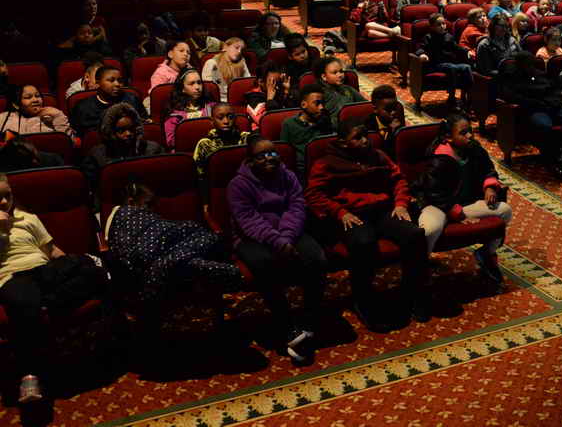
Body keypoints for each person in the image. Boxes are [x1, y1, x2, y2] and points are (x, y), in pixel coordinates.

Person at [306, 118, 430, 330]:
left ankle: (413, 293)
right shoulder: (326, 163)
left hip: (382, 209)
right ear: (343, 142)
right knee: (364, 242)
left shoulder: (377, 155)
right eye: (358, 138)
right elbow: (313, 194)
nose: (365, 140)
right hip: (351, 214)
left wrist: (401, 204)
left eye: (365, 135)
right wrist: (339, 212)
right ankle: (363, 299)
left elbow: (398, 180)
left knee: (415, 235)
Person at [0, 174, 109, 403]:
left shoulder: (28, 218)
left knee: (93, 271)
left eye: (7, 195)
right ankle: (30, 375)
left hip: (44, 270)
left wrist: (71, 265)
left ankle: (44, 304)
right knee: (24, 302)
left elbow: (52, 251)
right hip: (13, 277)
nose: (4, 202)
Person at [227, 136, 327, 362]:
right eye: (262, 155)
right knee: (265, 264)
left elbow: (297, 207)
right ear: (250, 161)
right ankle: (287, 324)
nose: (269, 158)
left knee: (317, 258)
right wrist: (278, 241)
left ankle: (308, 319)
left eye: (273, 153)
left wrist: (287, 237)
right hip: (251, 238)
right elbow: (249, 220)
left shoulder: (288, 176)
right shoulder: (238, 185)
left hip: (288, 232)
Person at [105, 179, 243, 339]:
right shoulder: (122, 214)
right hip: (147, 254)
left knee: (186, 235)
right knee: (176, 258)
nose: (152, 209)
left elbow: (161, 228)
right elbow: (119, 244)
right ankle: (200, 264)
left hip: (162, 251)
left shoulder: (146, 216)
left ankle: (184, 262)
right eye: (148, 204)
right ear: (130, 202)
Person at [414, 113, 511, 286]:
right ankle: (419, 267)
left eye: (470, 131)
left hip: (466, 203)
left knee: (504, 211)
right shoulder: (439, 157)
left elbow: (488, 169)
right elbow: (433, 193)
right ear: (448, 137)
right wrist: (457, 214)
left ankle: (486, 254)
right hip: (438, 205)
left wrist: (489, 186)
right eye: (463, 133)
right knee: (430, 229)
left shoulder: (474, 148)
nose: (469, 136)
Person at [499, 51, 562, 183]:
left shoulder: (539, 74)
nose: (530, 66)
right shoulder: (512, 77)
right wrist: (537, 102)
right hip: (534, 109)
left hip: (552, 106)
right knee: (545, 125)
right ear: (520, 65)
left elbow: (555, 89)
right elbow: (512, 96)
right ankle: (552, 157)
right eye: (527, 64)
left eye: (531, 64)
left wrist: (556, 100)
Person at [81, 102, 163, 188]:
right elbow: (92, 187)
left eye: (131, 129)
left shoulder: (153, 150)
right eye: (121, 130)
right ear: (110, 132)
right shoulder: (97, 156)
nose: (128, 133)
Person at [416, 13, 473, 108]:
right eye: (439, 24)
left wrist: (467, 51)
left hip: (449, 63)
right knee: (452, 67)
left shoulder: (448, 36)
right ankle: (451, 97)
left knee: (467, 67)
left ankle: (469, 97)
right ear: (432, 27)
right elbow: (421, 48)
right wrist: (422, 54)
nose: (442, 26)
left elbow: (457, 48)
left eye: (443, 23)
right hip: (435, 64)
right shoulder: (428, 37)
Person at [71, 66, 146, 137]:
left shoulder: (132, 100)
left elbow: (143, 124)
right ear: (98, 83)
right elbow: (78, 136)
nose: (117, 84)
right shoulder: (83, 107)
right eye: (111, 80)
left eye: (120, 80)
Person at [279, 83, 333, 178]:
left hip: (325, 168)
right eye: (317, 103)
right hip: (302, 172)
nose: (321, 107)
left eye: (323, 103)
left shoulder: (325, 121)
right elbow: (285, 154)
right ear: (304, 104)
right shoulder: (289, 124)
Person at [163, 68, 216, 150]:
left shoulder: (212, 107)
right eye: (191, 84)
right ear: (182, 88)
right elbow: (171, 142)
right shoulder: (174, 115)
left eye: (199, 83)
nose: (197, 87)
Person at [193, 103, 250, 175]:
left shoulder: (246, 138)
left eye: (230, 117)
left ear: (235, 119)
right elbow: (199, 171)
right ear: (212, 121)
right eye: (220, 118)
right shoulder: (205, 143)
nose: (226, 121)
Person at [1, 85, 74, 138]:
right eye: (28, 97)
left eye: (37, 96)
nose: (35, 100)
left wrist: (56, 117)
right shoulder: (3, 119)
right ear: (15, 104)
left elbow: (66, 142)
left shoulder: (53, 113)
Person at [316, 57, 366, 126]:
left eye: (341, 71)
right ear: (324, 77)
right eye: (335, 73)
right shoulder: (319, 94)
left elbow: (365, 105)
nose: (340, 75)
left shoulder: (348, 89)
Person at [201, 37, 251, 102]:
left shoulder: (242, 63)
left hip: (239, 99)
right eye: (236, 48)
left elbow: (247, 82)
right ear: (226, 47)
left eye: (241, 49)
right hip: (219, 101)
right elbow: (208, 87)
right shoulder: (212, 63)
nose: (239, 51)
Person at [246, 61, 292, 127]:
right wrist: (270, 100)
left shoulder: (279, 91)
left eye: (278, 81)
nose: (276, 86)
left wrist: (286, 92)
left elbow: (292, 115)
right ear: (261, 82)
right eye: (273, 82)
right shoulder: (253, 99)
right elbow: (268, 122)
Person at [365, 84, 405, 157]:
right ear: (375, 109)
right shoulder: (368, 125)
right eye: (388, 109)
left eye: (394, 108)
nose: (393, 112)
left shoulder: (398, 119)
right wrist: (391, 133)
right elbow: (379, 151)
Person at [282, 34, 316, 105]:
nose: (302, 56)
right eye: (297, 54)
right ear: (290, 57)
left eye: (303, 51)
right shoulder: (288, 70)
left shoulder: (315, 62)